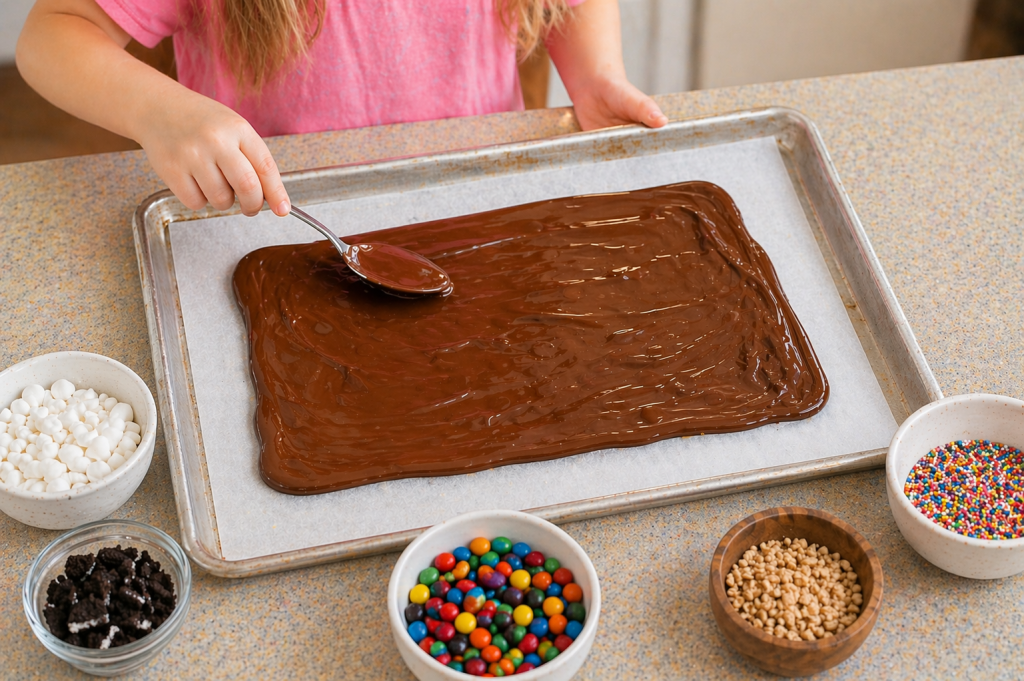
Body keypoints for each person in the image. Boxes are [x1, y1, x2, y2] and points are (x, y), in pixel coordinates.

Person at [17, 0, 667, 218]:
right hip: (280, 216)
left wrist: (595, 72)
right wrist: (159, 111)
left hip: (478, 200)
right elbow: (53, 34)